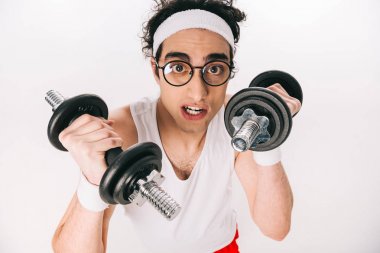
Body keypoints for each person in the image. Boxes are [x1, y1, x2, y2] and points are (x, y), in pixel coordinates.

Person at [52, 0, 301, 252]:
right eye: (178, 67)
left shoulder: (239, 121)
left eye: (214, 68)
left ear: (230, 70)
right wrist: (92, 181)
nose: (198, 93)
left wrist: (268, 133)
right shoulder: (122, 132)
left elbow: (276, 229)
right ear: (156, 71)